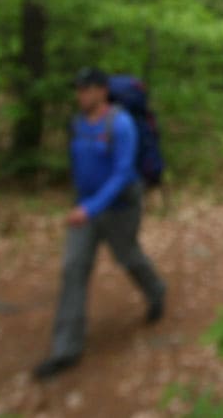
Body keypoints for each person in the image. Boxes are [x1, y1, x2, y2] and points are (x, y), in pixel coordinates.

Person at [33, 67, 167, 380]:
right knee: (73, 268)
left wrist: (90, 207)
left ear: (102, 91)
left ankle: (156, 289)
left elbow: (122, 174)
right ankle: (65, 349)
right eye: (78, 89)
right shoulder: (77, 124)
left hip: (120, 208)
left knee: (128, 256)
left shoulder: (121, 124)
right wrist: (83, 204)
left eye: (87, 89)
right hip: (86, 209)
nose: (81, 94)